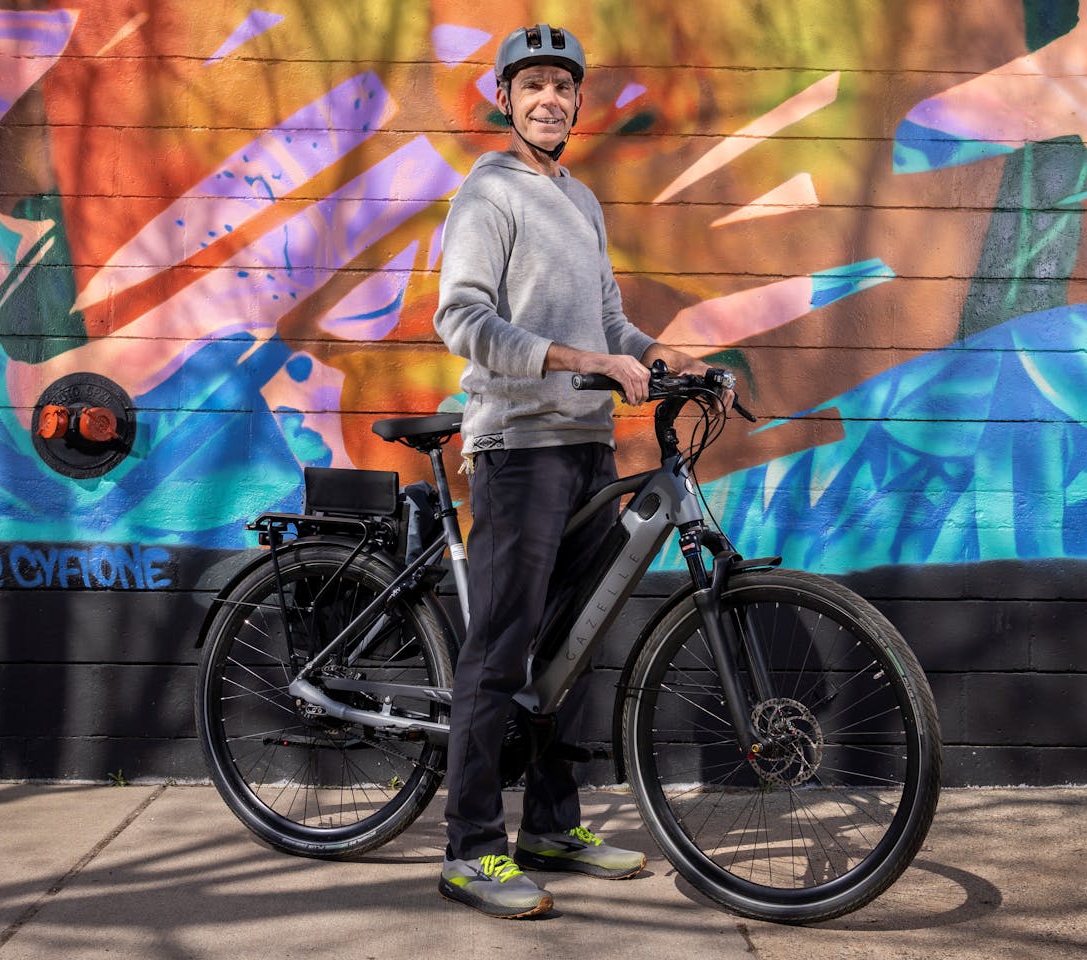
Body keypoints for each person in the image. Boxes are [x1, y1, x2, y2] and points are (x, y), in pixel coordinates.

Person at [432, 24, 717, 919]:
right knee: (500, 649)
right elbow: (463, 319)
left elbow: (609, 325)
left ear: (576, 101)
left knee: (568, 646)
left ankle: (549, 827)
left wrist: (662, 357)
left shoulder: (582, 201)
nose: (550, 100)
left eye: (562, 85)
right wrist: (575, 361)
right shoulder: (489, 197)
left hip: (588, 443)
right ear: (506, 101)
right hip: (517, 445)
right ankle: (470, 848)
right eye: (533, 87)